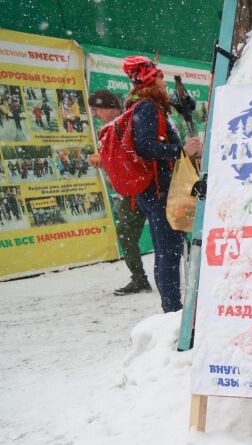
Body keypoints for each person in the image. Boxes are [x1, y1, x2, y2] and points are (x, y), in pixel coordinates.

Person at [122, 56, 202, 312]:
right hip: (159, 193)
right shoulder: (146, 107)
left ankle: (174, 308)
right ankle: (173, 312)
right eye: (159, 77)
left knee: (168, 252)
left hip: (157, 191)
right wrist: (182, 151)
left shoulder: (143, 106)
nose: (164, 82)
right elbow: (145, 146)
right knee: (168, 254)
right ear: (149, 80)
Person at [87, 89, 152, 296]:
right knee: (125, 234)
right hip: (132, 191)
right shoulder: (112, 127)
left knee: (164, 234)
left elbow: (131, 154)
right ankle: (140, 278)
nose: (95, 114)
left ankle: (185, 274)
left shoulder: (127, 122)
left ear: (110, 108)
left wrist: (104, 159)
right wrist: (103, 158)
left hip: (144, 188)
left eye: (97, 109)